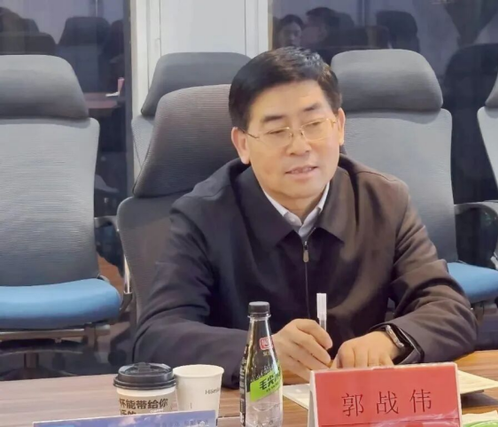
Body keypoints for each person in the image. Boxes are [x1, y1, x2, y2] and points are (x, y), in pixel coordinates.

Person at [134, 47, 478, 388]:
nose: (299, 147)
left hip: (353, 401)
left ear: (339, 126)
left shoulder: (383, 201)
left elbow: (450, 309)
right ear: (243, 145)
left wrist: (390, 340)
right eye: (276, 131)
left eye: (314, 125)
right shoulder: (203, 215)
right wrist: (260, 350)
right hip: (253, 403)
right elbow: (157, 335)